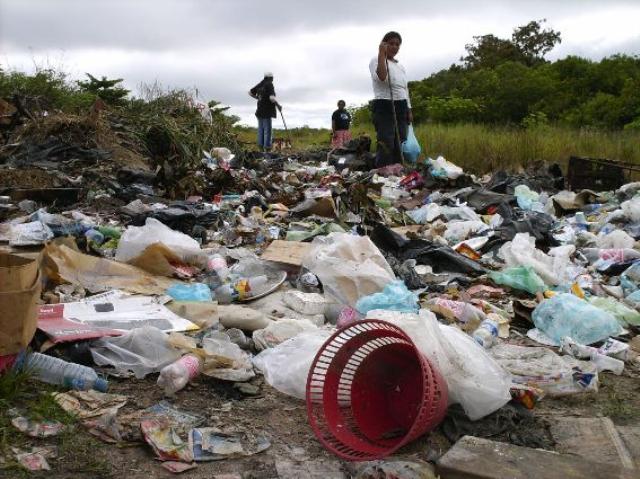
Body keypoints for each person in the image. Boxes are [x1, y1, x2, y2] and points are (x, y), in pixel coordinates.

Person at [369, 31, 413, 167]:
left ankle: (397, 170)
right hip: (384, 104)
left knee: (401, 140)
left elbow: (405, 89)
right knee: (386, 140)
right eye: (391, 43)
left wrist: (409, 109)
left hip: (401, 105)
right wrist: (381, 53)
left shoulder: (400, 66)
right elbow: (382, 77)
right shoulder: (376, 60)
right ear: (384, 44)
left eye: (397, 44)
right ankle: (383, 171)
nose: (394, 47)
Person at [249, 72, 282, 151]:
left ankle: (260, 147)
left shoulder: (260, 84)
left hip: (259, 111)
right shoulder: (269, 84)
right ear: (270, 78)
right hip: (266, 111)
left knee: (261, 130)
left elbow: (250, 93)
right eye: (272, 78)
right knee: (268, 131)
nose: (273, 79)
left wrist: (257, 98)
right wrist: (278, 105)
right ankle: (267, 148)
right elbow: (272, 98)